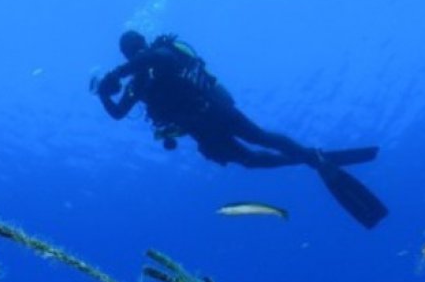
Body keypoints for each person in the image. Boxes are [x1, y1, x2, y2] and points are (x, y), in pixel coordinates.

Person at [93, 30, 388, 228]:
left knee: (260, 138)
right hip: (201, 132)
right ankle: (310, 158)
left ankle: (311, 157)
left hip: (214, 111)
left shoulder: (162, 53)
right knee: (250, 160)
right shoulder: (138, 83)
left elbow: (154, 59)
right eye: (129, 52)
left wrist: (114, 74)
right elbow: (119, 114)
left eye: (132, 50)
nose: (133, 54)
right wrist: (104, 93)